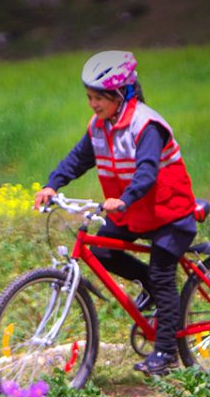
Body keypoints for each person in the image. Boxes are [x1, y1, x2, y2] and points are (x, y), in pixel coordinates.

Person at [34, 50, 197, 375]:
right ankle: (148, 284)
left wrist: (124, 198)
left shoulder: (146, 125)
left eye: (100, 98)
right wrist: (52, 184)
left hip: (169, 213)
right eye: (89, 97)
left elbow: (147, 172)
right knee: (102, 250)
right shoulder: (99, 127)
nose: (93, 104)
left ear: (120, 94)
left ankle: (166, 354)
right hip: (135, 213)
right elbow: (78, 160)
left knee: (163, 273)